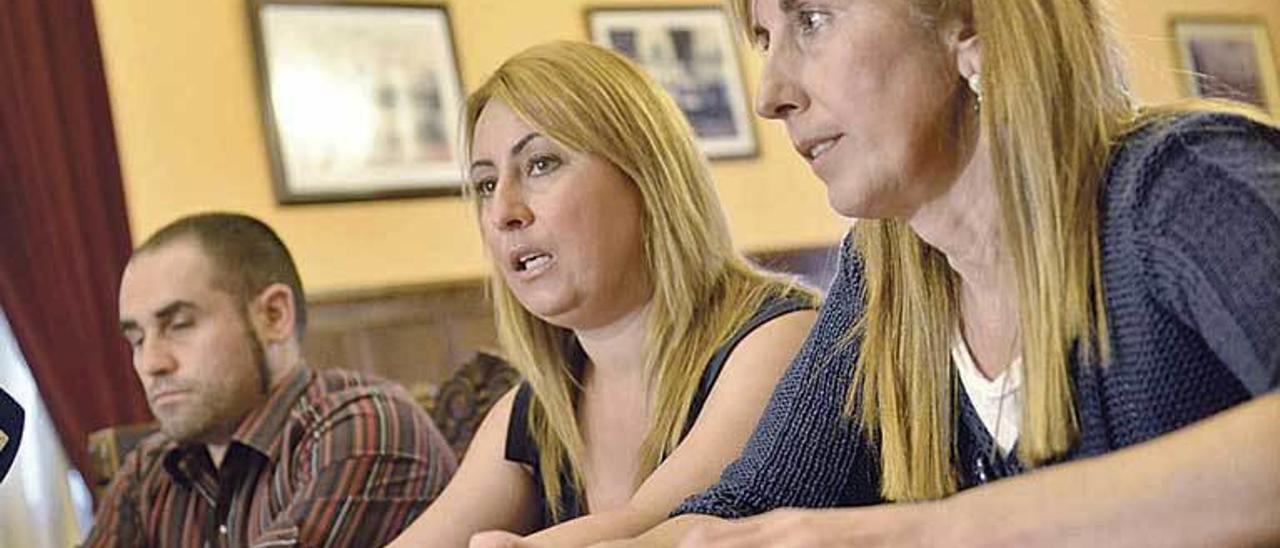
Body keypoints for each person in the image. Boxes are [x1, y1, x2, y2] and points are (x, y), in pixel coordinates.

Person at [615, 0, 1280, 546]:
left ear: (971, 27)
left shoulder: (1181, 185)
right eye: (766, 39)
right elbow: (745, 510)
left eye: (812, 20)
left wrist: (932, 530)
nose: (769, 95)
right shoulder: (883, 274)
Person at [389, 41, 818, 548]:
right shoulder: (533, 412)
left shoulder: (781, 337)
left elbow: (666, 525)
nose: (503, 210)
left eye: (541, 164)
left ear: (645, 175)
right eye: (486, 184)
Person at [86, 212, 457, 547]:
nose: (151, 362)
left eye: (179, 325)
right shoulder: (149, 470)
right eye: (136, 339)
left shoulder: (367, 427)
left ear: (274, 316)